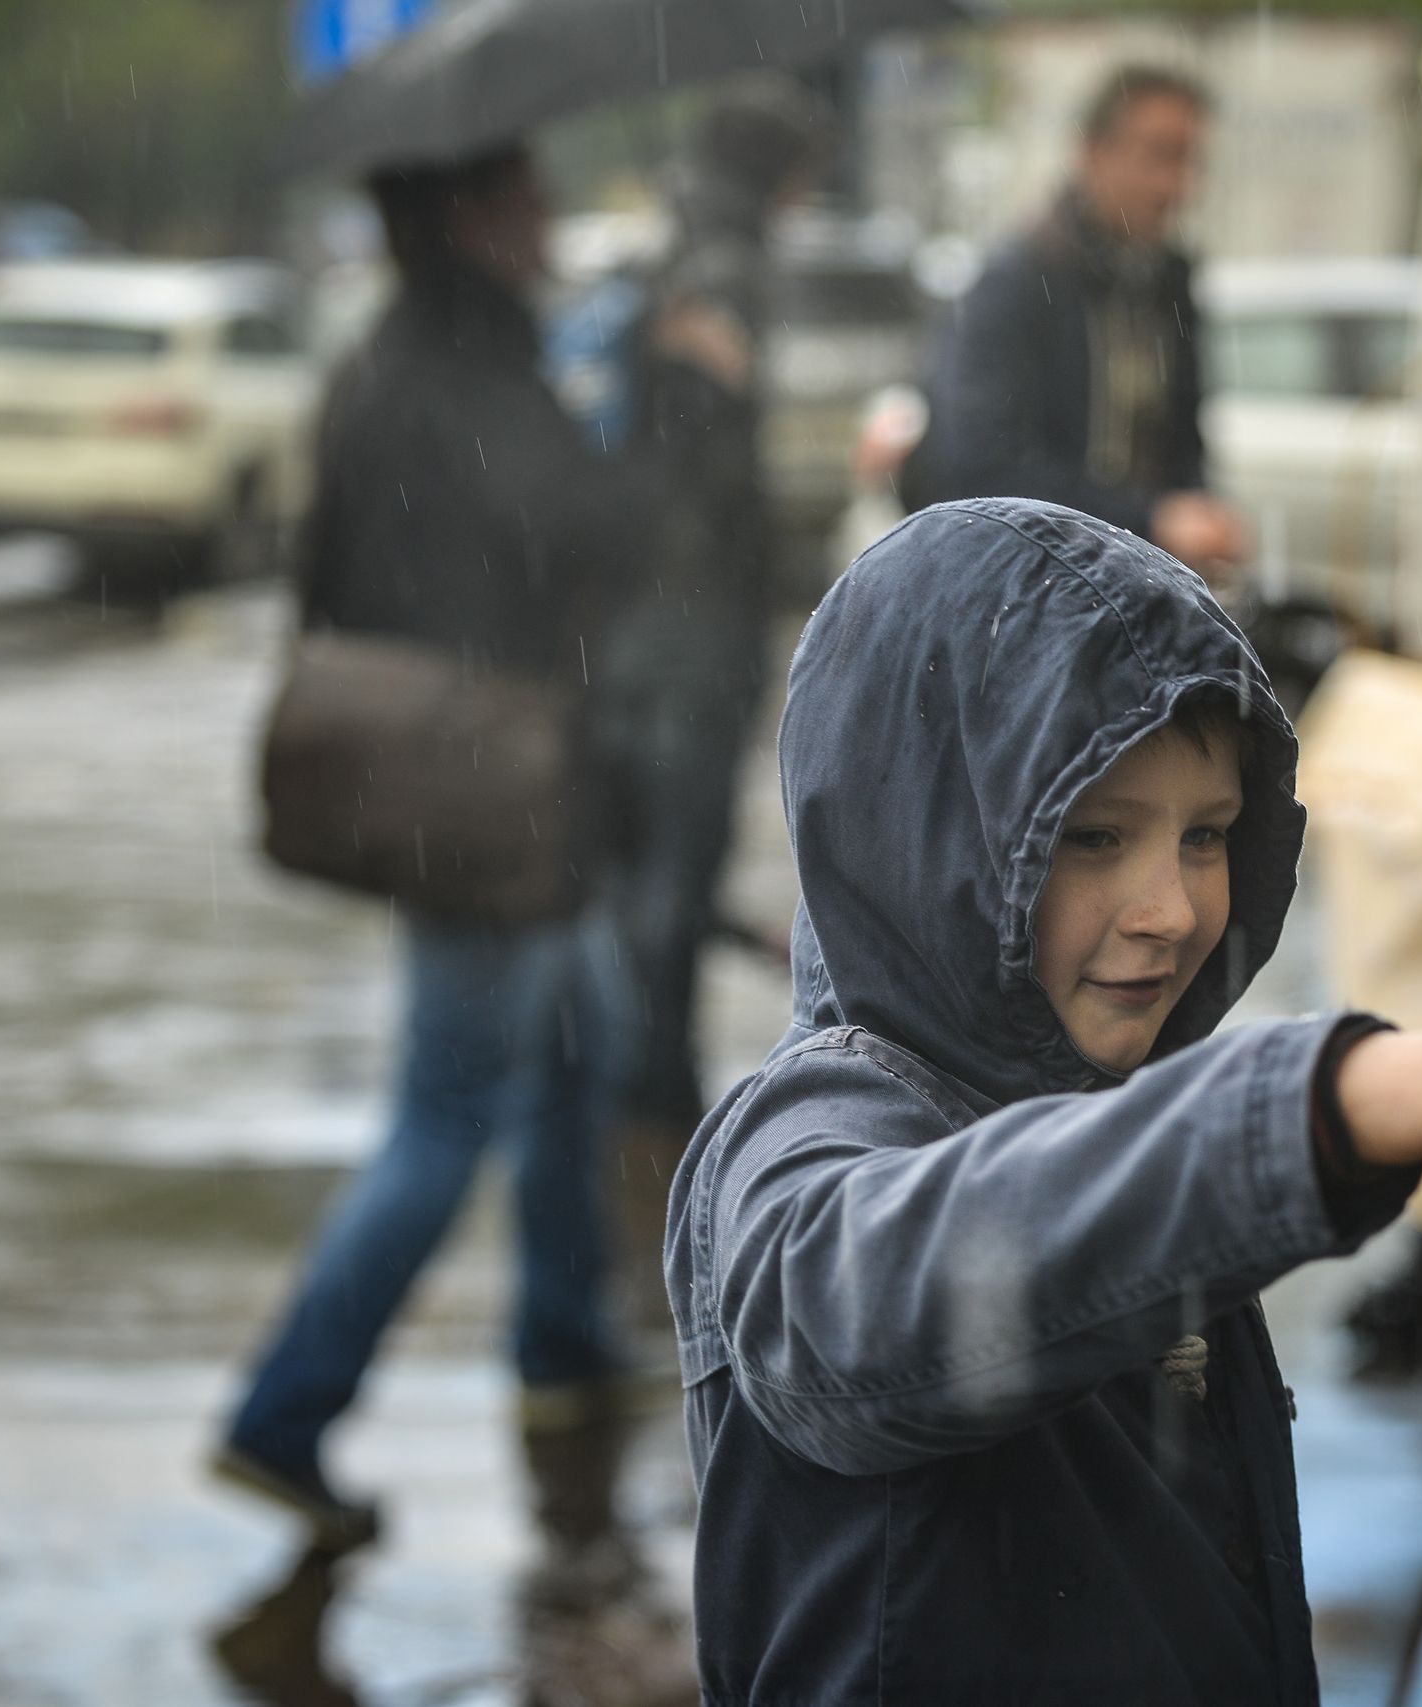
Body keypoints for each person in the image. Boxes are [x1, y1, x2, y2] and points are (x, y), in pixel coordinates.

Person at [664, 496, 1422, 1701]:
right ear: (922, 839)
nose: (1172, 910)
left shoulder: (1107, 1103)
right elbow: (867, 1304)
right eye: (1092, 840)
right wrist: (1307, 1105)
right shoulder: (806, 1139)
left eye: (1207, 836)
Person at [215, 143, 660, 1609]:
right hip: (488, 795)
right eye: (527, 194)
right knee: (447, 1110)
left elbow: (327, 572)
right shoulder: (474, 369)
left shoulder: (379, 365)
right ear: (468, 218)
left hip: (448, 782)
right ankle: (284, 1415)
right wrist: (665, 400)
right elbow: (597, 533)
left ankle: (562, 1345)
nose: (547, 217)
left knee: (572, 1050)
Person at [591, 82, 825, 1324]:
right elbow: (705, 460)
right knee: (668, 890)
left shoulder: (665, 251)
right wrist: (762, 572)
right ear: (780, 176)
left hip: (638, 626)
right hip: (686, 631)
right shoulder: (724, 268)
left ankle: (640, 1099)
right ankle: (654, 1117)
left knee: (649, 886)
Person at [919, 66, 1249, 579]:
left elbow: (1184, 437)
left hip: (1133, 583)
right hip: (1030, 585)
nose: (1178, 185)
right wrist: (1150, 519)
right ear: (1094, 152)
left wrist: (1197, 513)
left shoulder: (1170, 278)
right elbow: (979, 466)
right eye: (1159, 155)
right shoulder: (1020, 278)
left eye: (1190, 160)